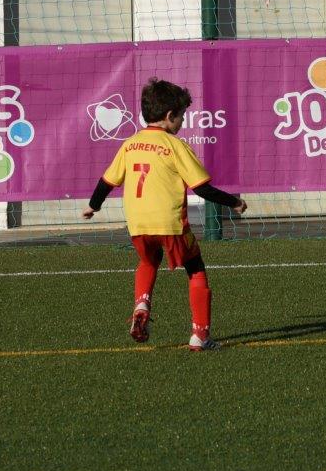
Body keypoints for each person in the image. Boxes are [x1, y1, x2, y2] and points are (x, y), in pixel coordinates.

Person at [83, 78, 247, 351]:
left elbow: (106, 182)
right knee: (195, 269)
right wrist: (234, 202)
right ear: (170, 116)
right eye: (182, 116)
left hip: (137, 224)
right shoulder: (175, 145)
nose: (183, 121)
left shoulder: (130, 144)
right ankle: (200, 336)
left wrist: (93, 206)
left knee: (148, 261)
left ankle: (141, 304)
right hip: (170, 224)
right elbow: (202, 189)